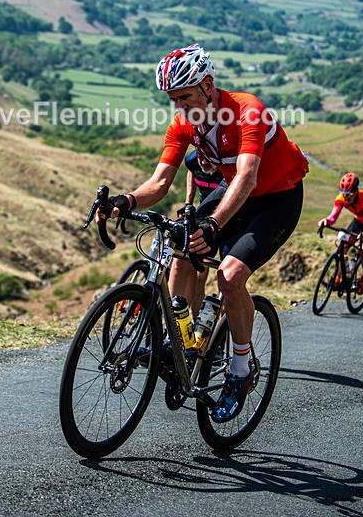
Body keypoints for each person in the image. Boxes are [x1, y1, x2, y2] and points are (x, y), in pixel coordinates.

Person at [99, 43, 309, 422]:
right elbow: (159, 182)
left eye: (184, 97)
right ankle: (181, 343)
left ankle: (240, 371)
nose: (179, 106)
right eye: (173, 100)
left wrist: (214, 224)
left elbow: (247, 176)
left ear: (208, 86)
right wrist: (125, 201)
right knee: (180, 244)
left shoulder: (247, 110)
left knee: (229, 276)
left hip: (277, 198)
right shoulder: (184, 124)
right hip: (234, 193)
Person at [318, 173, 363, 293]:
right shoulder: (340, 199)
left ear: (356, 192)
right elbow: (333, 217)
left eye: (349, 194)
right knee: (343, 246)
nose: (346, 198)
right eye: (344, 194)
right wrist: (326, 221)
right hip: (359, 221)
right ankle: (338, 277)